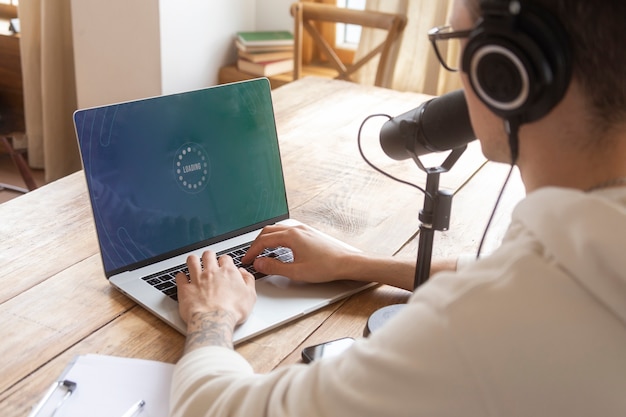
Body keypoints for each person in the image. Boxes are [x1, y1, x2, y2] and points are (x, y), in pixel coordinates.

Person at [170, 0, 626, 415]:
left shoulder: (478, 331)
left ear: (501, 71)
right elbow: (495, 271)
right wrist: (355, 263)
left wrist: (213, 316)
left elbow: (210, 408)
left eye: (457, 44)